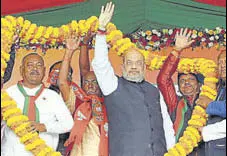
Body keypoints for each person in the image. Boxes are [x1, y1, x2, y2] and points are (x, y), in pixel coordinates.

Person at [92, 2, 167, 156]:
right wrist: (101, 31)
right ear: (122, 67)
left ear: (144, 67)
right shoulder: (113, 86)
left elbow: (165, 125)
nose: (134, 67)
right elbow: (100, 64)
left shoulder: (154, 91)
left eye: (138, 63)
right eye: (129, 63)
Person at [1, 53, 74, 156]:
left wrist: (45, 127)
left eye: (38, 65)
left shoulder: (53, 96)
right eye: (30, 65)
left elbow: (68, 124)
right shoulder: (8, 94)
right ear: (21, 69)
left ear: (44, 71)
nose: (34, 68)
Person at [157, 28, 205, 156]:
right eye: (182, 80)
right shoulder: (175, 103)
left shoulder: (208, 102)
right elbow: (163, 80)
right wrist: (177, 50)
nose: (186, 83)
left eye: (191, 79)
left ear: (200, 85)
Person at [59, 33, 108, 156]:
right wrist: (69, 52)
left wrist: (84, 45)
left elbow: (85, 70)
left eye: (94, 82)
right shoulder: (77, 101)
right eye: (86, 82)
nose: (90, 85)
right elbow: (63, 82)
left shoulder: (110, 103)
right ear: (83, 85)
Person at [200, 50, 226, 156]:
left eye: (226, 62)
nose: (223, 66)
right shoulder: (219, 87)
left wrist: (209, 104)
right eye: (220, 63)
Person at [47, 61, 74, 155]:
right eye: (56, 72)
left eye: (65, 72)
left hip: (67, 143)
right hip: (46, 141)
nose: (60, 75)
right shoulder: (41, 95)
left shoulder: (77, 96)